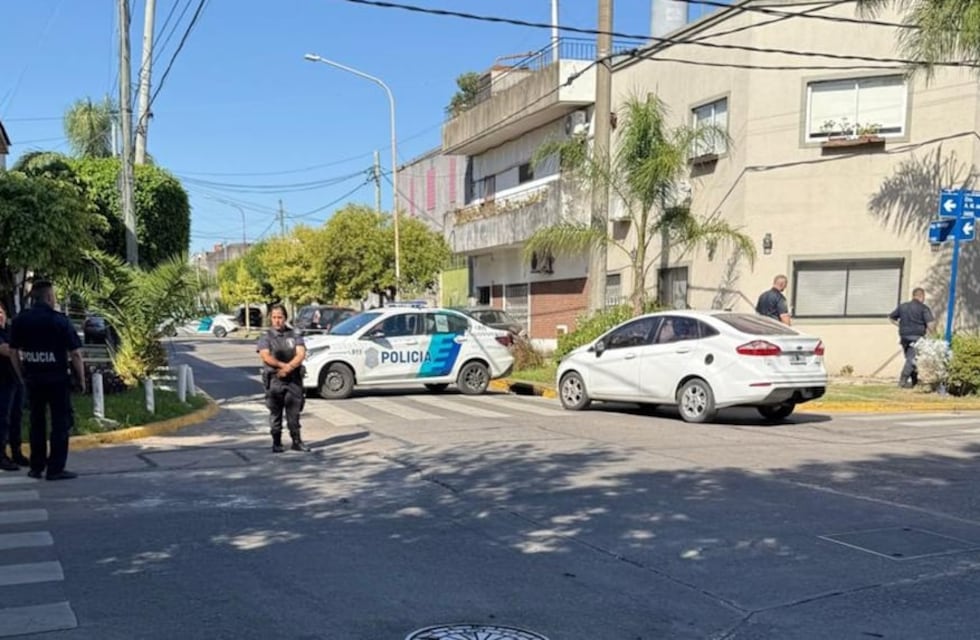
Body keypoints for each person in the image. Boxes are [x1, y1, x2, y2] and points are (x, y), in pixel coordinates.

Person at [8, 281, 85, 480]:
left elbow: (13, 351)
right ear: (49, 297)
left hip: (33, 379)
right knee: (60, 423)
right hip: (58, 380)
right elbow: (75, 354)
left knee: (37, 422)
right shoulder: (59, 321)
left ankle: (36, 466)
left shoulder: (20, 320)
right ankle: (56, 468)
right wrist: (82, 380)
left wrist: (20, 374)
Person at [257, 304, 310, 453]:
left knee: (294, 413)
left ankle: (297, 441)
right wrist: (281, 366)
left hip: (293, 380)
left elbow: (300, 353)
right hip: (274, 380)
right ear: (270, 318)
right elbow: (265, 355)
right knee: (275, 413)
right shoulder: (266, 337)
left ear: (285, 318)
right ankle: (277, 442)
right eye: (274, 317)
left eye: (280, 317)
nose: (277, 321)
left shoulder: (294, 334)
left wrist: (289, 368)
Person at [889, 287, 935, 388]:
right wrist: (935, 335)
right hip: (917, 337)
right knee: (912, 359)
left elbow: (891, 317)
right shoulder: (924, 308)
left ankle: (914, 381)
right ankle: (903, 381)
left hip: (904, 336)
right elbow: (930, 324)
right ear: (921, 296)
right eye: (924, 297)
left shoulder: (903, 307)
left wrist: (900, 325)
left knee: (911, 358)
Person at [0, 303, 25, 471]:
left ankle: (17, 452)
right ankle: (1, 455)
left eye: (0, 312)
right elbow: (6, 350)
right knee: (3, 418)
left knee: (17, 416)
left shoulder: (10, 330)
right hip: (2, 381)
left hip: (16, 378)